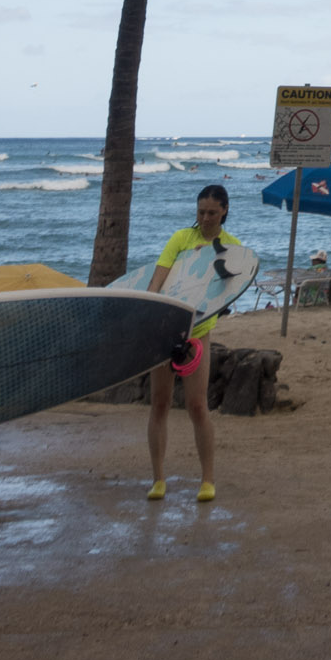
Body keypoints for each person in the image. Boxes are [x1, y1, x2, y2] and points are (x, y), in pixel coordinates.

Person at [147, 183, 241, 507]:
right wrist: (151, 311)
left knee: (197, 406)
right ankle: (158, 479)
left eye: (212, 213)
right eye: (200, 212)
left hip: (198, 332)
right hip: (165, 328)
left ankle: (207, 480)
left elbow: (227, 292)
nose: (204, 218)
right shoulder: (180, 239)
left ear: (224, 211)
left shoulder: (232, 248)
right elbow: (158, 278)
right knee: (159, 403)